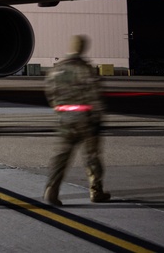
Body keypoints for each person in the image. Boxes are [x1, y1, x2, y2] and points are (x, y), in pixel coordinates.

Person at [43, 34, 110, 206]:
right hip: (85, 118)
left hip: (65, 117)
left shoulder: (56, 69)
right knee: (92, 157)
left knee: (62, 156)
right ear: (82, 48)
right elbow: (94, 95)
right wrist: (98, 118)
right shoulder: (85, 68)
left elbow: (50, 93)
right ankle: (96, 191)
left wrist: (59, 109)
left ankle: (52, 189)